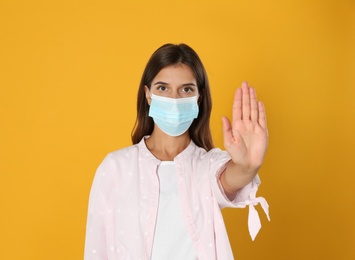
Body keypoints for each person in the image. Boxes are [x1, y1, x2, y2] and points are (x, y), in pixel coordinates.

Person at [84, 43, 270, 260]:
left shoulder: (208, 166)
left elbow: (232, 177)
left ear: (198, 98)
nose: (174, 99)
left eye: (186, 89)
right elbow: (98, 247)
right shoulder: (116, 167)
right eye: (163, 88)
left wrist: (248, 165)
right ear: (148, 94)